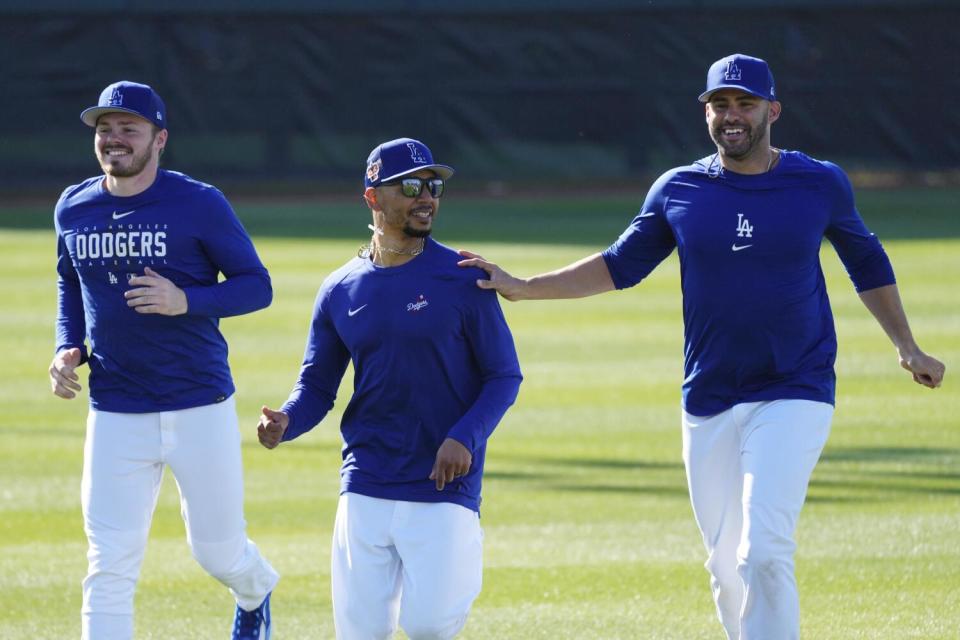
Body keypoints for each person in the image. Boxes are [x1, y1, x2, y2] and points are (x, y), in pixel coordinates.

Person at [458, 54, 946, 640]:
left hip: (795, 387)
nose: (731, 115)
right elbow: (621, 266)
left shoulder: (820, 182)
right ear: (706, 113)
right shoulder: (679, 189)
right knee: (723, 565)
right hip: (708, 396)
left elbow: (865, 260)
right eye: (720, 104)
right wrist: (524, 287)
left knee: (761, 550)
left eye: (744, 103)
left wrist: (906, 345)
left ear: (773, 110)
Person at [257, 137, 522, 639]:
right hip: (364, 483)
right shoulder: (340, 289)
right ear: (373, 197)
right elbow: (317, 384)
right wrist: (287, 420)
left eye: (433, 185)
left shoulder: (464, 278)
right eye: (411, 186)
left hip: (443, 488)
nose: (427, 196)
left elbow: (504, 375)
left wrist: (464, 437)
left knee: (428, 629)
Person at [48, 80, 279, 640]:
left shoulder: (198, 202)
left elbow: (257, 286)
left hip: (199, 404)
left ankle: (256, 590)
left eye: (129, 128)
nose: (114, 139)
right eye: (105, 129)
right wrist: (66, 344)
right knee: (108, 566)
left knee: (218, 553)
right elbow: (69, 285)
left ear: (160, 139)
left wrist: (188, 301)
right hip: (115, 411)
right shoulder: (74, 206)